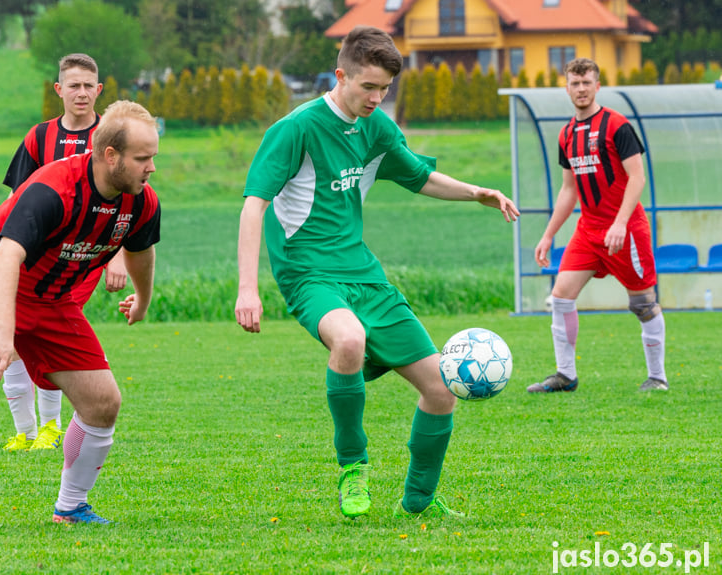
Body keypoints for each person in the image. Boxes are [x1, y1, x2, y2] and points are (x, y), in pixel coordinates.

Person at [234, 26, 519, 520]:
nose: (377, 97)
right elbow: (253, 205)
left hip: (364, 274)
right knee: (348, 341)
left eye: (385, 88)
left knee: (441, 387)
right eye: (368, 87)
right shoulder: (295, 129)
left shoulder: (377, 127)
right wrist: (247, 288)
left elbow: (418, 175)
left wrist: (476, 191)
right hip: (309, 274)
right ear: (340, 75)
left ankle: (419, 501)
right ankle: (353, 468)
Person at [0, 100, 162, 532]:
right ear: (111, 156)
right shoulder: (53, 187)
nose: (152, 168)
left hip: (53, 300)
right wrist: (3, 335)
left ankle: (71, 506)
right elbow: (7, 256)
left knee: (104, 403)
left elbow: (140, 252)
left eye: (153, 157)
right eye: (143, 158)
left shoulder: (140, 202)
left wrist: (142, 300)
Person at [0, 53, 128, 453]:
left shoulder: (112, 138)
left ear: (99, 90)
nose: (82, 93)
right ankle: (24, 431)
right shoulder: (39, 138)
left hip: (81, 259)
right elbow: (15, 200)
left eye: (89, 86)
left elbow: (129, 204)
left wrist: (118, 258)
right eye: (73, 85)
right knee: (16, 337)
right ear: (59, 90)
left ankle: (51, 427)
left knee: (46, 332)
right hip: (32, 257)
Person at [527, 57, 667, 393]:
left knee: (642, 303)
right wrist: (548, 235)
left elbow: (637, 177)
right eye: (575, 83)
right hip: (588, 231)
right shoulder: (566, 134)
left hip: (626, 229)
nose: (581, 89)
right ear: (567, 87)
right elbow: (568, 190)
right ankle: (565, 376)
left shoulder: (617, 125)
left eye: (587, 82)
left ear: (597, 85)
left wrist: (619, 223)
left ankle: (657, 378)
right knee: (560, 296)